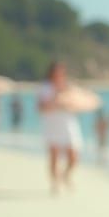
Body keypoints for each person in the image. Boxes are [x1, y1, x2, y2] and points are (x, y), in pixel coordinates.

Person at [37, 60, 82, 194]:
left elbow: (75, 104)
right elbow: (41, 107)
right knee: (54, 156)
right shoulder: (45, 88)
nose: (59, 74)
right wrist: (56, 96)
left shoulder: (68, 86)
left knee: (74, 155)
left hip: (68, 123)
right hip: (52, 124)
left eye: (61, 72)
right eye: (57, 72)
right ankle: (54, 183)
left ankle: (66, 175)